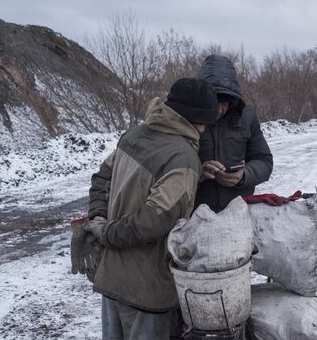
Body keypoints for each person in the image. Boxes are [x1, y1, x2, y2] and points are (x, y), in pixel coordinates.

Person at [79, 78, 218, 340]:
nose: (206, 128)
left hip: (111, 278)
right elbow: (153, 221)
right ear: (196, 118)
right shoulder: (183, 158)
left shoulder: (133, 135)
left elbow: (102, 179)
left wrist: (98, 217)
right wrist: (106, 232)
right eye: (206, 121)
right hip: (147, 291)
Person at [195, 54, 273, 212]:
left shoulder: (247, 117)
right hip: (195, 213)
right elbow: (171, 167)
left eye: (223, 102)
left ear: (232, 99)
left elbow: (264, 161)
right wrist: (198, 172)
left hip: (238, 212)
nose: (218, 109)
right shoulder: (189, 119)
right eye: (212, 101)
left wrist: (244, 175)